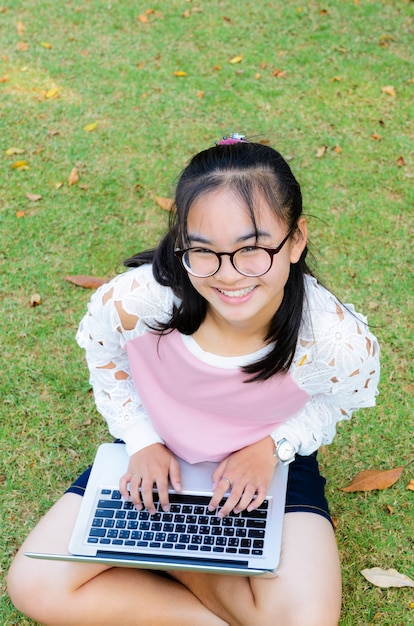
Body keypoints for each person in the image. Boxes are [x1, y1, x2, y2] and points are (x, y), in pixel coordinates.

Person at [8, 135, 380, 625]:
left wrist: (271, 448)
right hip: (156, 462)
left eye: (252, 249)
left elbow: (338, 401)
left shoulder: (333, 338)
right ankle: (194, 574)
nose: (229, 276)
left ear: (296, 239)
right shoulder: (140, 303)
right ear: (181, 241)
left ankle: (177, 562)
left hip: (268, 468)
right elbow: (106, 359)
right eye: (203, 251)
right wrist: (141, 441)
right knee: (33, 583)